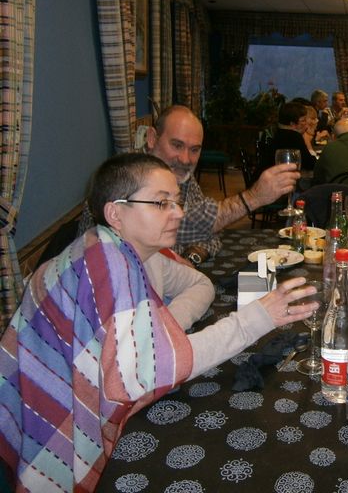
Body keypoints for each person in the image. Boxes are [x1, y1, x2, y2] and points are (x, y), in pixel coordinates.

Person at [0, 153, 317, 492]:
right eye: (161, 203)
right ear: (115, 213)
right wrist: (257, 317)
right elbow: (151, 373)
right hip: (39, 434)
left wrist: (163, 333)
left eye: (177, 202)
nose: (178, 213)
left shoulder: (113, 248)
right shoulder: (109, 265)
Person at [78, 105, 299, 265]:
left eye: (194, 150)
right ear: (152, 138)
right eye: (176, 145)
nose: (185, 159)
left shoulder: (178, 176)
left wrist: (192, 257)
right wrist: (255, 197)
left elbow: (210, 233)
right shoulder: (123, 178)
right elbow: (193, 223)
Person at [268, 101, 317, 172]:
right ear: (292, 124)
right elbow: (309, 164)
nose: (306, 124)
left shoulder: (277, 133)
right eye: (303, 120)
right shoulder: (293, 136)